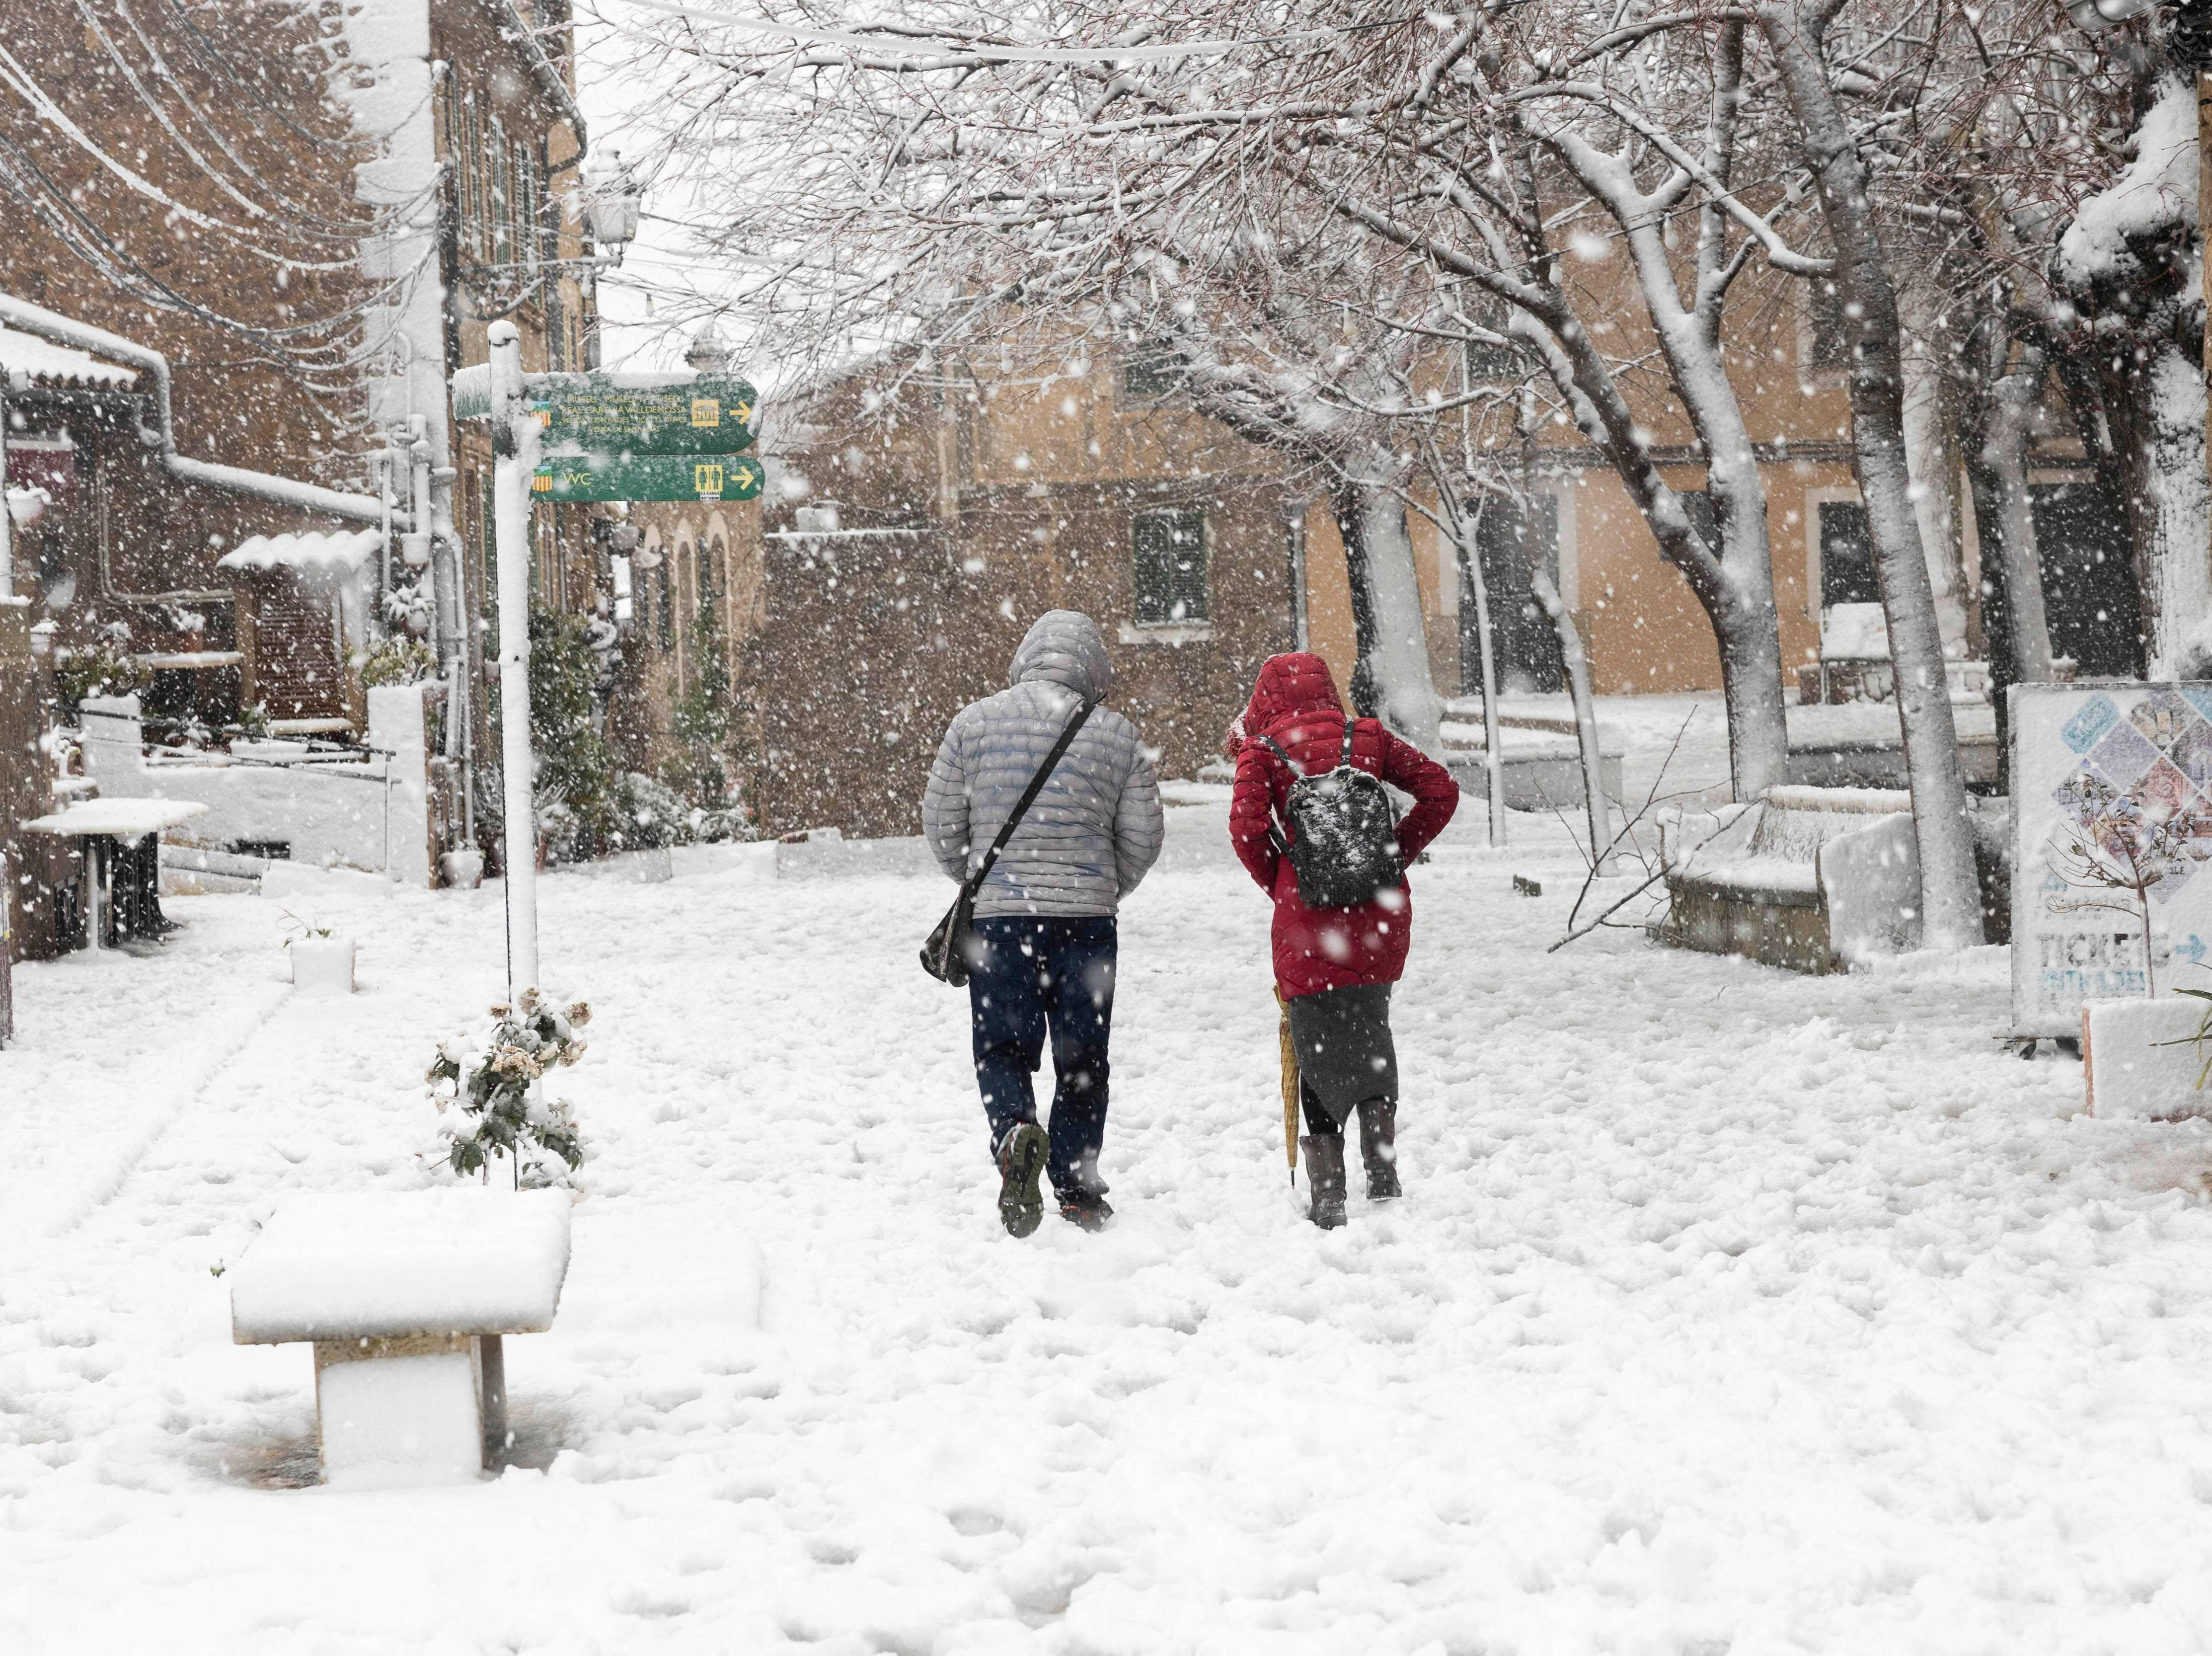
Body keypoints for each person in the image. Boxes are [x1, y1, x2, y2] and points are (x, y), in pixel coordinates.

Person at [923, 610, 1165, 1237]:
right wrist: (1104, 887)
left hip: (1002, 922)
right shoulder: (1116, 734)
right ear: (1094, 669)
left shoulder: (972, 725)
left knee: (1002, 1045)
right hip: (1086, 923)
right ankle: (1077, 1185)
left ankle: (1013, 1134)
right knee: (1083, 1056)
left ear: (1026, 657)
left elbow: (941, 824)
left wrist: (978, 880)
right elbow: (1143, 837)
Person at [1227, 653, 1459, 1228]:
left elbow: (1246, 830)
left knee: (1314, 1047)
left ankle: (1329, 1195)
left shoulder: (1262, 752)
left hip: (1307, 925)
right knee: (1371, 1031)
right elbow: (1441, 791)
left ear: (1267, 698)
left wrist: (1284, 880)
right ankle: (1383, 1173)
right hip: (1377, 919)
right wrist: (1388, 857)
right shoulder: (1368, 737)